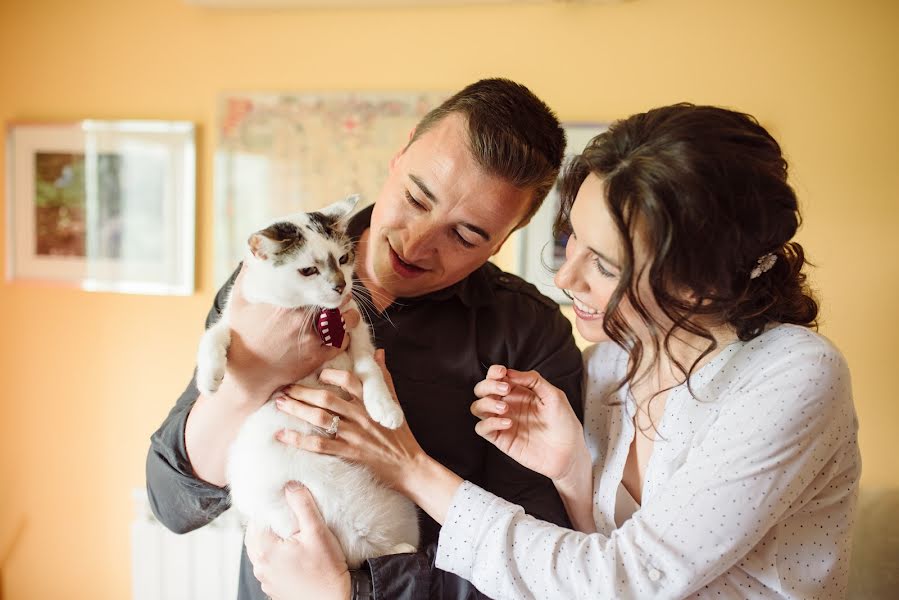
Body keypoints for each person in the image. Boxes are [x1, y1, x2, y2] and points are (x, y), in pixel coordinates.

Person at [278, 103, 861, 599]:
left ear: (704, 281)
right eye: (570, 239)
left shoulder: (792, 375)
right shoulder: (610, 362)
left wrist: (409, 468)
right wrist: (572, 472)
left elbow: (629, 577)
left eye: (605, 266)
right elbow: (591, 561)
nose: (566, 279)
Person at [145, 78, 585, 600]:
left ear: (500, 245)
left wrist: (351, 591)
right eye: (417, 198)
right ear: (397, 159)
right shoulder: (275, 276)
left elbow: (534, 563)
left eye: (465, 235)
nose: (415, 244)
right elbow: (173, 502)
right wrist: (250, 383)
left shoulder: (530, 336)